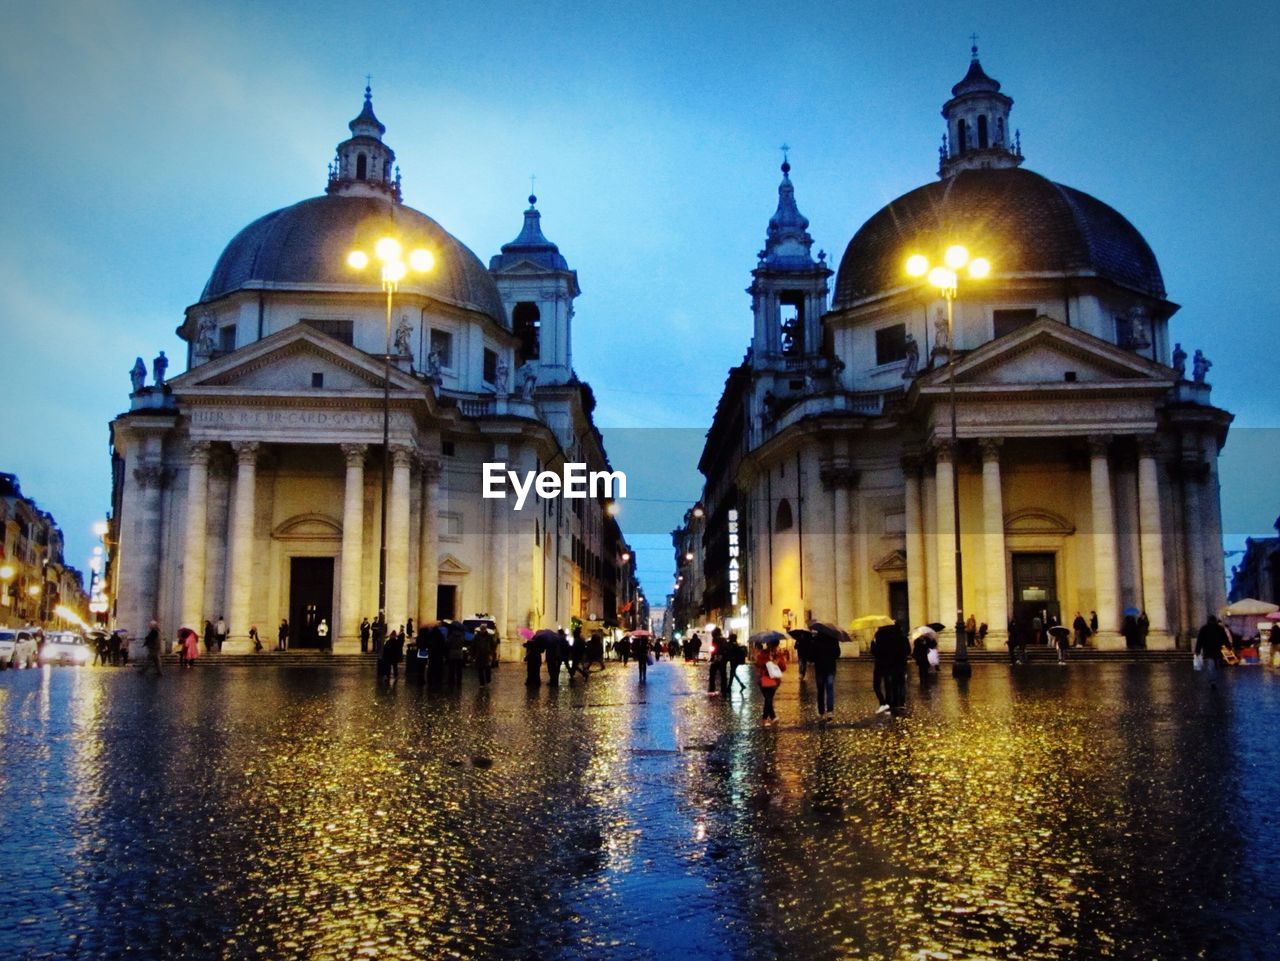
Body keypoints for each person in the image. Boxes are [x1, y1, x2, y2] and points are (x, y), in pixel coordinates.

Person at [755, 640, 787, 725]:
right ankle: (766, 719)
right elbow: (758, 664)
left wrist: (777, 661)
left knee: (768, 699)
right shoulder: (764, 654)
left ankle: (771, 717)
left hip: (774, 680)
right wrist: (768, 662)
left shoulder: (778, 655)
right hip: (764, 679)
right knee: (768, 699)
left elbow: (783, 667)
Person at [812, 628, 841, 720]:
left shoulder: (816, 639)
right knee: (830, 689)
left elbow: (812, 656)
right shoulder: (833, 639)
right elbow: (837, 654)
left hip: (819, 668)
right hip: (830, 668)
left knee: (820, 690)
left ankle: (821, 711)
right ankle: (830, 711)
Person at [1195, 615, 1228, 684]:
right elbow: (1225, 639)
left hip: (1208, 650)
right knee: (1217, 665)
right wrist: (1228, 646)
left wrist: (1197, 650)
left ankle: (1212, 679)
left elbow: (1200, 640)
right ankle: (1215, 678)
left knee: (1211, 665)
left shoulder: (1204, 628)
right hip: (1217, 649)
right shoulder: (1219, 628)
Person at [707, 628, 729, 697]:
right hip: (723, 659)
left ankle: (712, 688)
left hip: (717, 658)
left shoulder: (715, 639)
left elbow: (713, 649)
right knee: (723, 675)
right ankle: (724, 689)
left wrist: (712, 657)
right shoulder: (724, 639)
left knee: (712, 674)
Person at [445, 622, 466, 689]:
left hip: (452, 653)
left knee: (452, 668)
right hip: (459, 653)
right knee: (459, 669)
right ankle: (459, 681)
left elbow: (448, 644)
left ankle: (451, 681)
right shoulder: (462, 636)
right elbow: (463, 643)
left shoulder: (451, 636)